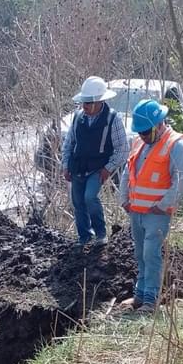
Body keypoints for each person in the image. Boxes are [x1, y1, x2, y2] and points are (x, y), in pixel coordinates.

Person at [119, 99, 183, 313]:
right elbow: (128, 171)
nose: (142, 136)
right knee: (140, 253)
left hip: (157, 214)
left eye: (145, 131)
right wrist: (124, 198)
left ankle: (151, 299)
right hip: (136, 211)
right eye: (140, 132)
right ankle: (140, 295)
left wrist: (163, 205)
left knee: (151, 253)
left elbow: (182, 180)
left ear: (159, 124)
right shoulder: (139, 143)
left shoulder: (176, 145)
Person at [62, 76, 129, 247]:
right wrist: (65, 165)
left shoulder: (112, 119)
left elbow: (123, 149)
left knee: (90, 197)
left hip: (97, 169)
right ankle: (84, 237)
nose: (84, 106)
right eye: (83, 102)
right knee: (77, 202)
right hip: (77, 167)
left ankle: (101, 234)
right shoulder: (78, 118)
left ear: (99, 102)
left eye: (87, 103)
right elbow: (69, 143)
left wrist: (108, 168)